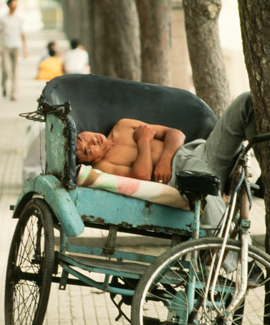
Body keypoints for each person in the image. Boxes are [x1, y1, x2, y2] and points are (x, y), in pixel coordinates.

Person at [76, 92, 257, 226]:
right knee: (205, 188)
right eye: (86, 150)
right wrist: (143, 141)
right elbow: (142, 175)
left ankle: (268, 178)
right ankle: (244, 262)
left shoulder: (122, 126)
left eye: (83, 137)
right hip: (186, 172)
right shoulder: (103, 165)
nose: (91, 141)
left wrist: (165, 158)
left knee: (245, 103)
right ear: (87, 161)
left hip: (201, 151)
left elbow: (176, 134)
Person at [0, 0, 26, 101]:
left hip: (16, 46)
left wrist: (25, 49)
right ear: (8, 4)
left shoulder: (19, 18)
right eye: (13, 3)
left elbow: (22, 34)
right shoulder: (2, 19)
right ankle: (4, 86)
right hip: (5, 46)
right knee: (6, 70)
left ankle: (14, 92)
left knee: (15, 71)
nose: (15, 5)